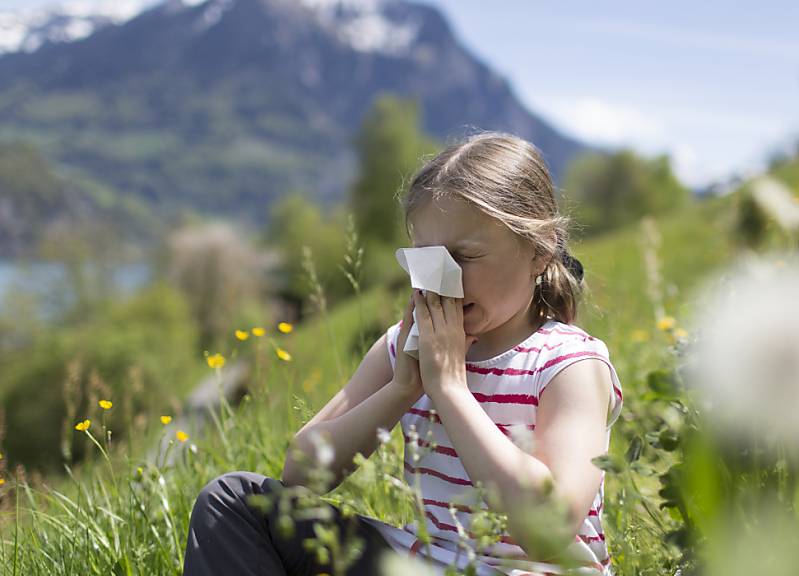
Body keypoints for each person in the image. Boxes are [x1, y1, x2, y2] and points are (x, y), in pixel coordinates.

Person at [183, 132, 624, 575]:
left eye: (464, 256)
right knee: (234, 502)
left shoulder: (568, 364)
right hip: (426, 565)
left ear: (539, 249)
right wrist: (403, 388)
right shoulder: (404, 348)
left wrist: (450, 390)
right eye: (428, 258)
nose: (442, 278)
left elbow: (549, 529)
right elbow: (300, 472)